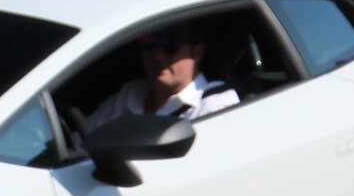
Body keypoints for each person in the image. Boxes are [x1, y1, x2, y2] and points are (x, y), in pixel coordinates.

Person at [83, 24, 241, 130]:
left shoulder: (215, 102)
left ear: (197, 52)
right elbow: (80, 142)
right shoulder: (130, 94)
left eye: (171, 44)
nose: (157, 56)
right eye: (148, 43)